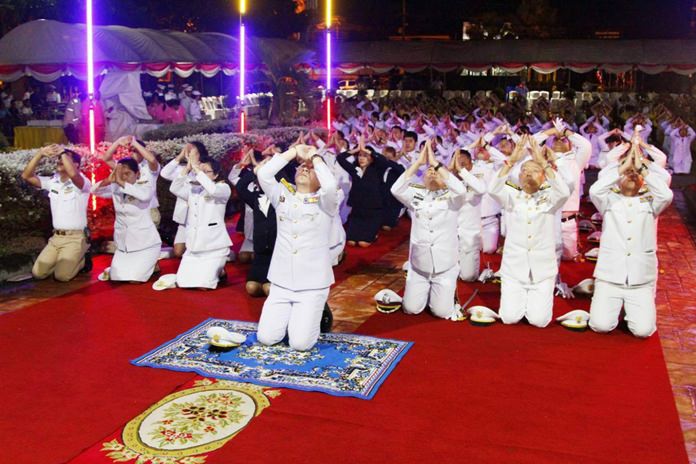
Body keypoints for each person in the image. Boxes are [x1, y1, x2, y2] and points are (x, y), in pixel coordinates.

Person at [255, 144, 339, 351]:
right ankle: (298, 319)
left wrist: (315, 157)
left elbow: (329, 186)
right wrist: (294, 151)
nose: (304, 169)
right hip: (282, 280)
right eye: (301, 167)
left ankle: (318, 312)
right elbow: (264, 174)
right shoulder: (282, 195)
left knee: (300, 344)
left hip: (311, 284)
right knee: (267, 338)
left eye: (310, 168)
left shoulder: (326, 201)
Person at [588, 145, 673, 337]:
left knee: (643, 331)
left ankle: (633, 312)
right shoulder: (609, 199)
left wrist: (642, 167)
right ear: (619, 178)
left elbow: (666, 194)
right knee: (600, 325)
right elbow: (595, 189)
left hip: (640, 279)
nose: (632, 175)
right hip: (610, 276)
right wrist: (623, 167)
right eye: (628, 173)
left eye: (636, 174)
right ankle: (615, 309)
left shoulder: (651, 201)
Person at [489, 136, 570, 327]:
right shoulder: (512, 195)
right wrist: (512, 161)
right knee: (509, 318)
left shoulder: (550, 197)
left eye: (534, 171)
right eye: (524, 171)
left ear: (543, 176)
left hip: (541, 271)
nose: (527, 174)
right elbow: (493, 189)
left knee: (539, 321)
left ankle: (533, 302)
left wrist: (544, 162)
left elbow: (565, 192)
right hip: (514, 269)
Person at [390, 142, 467, 319]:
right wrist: (417, 163)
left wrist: (436, 163)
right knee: (411, 309)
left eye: (436, 171)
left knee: (441, 312)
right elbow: (396, 189)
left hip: (444, 265)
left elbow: (461, 190)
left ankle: (447, 295)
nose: (432, 172)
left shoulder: (453, 197)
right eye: (429, 170)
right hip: (419, 264)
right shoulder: (416, 194)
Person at [21, 146, 91, 282]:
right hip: (56, 238)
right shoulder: (53, 182)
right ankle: (65, 262)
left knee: (62, 276)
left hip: (75, 238)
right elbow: (26, 176)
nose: (60, 160)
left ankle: (83, 260)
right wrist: (40, 154)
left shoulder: (83, 182)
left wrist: (63, 152)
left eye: (64, 158)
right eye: (59, 158)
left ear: (75, 164)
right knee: (38, 273)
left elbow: (73, 175)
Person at [92, 158, 161, 282]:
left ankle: (151, 263)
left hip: (145, 243)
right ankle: (146, 266)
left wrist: (120, 181)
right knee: (117, 278)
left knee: (135, 279)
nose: (123, 177)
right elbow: (94, 191)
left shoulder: (145, 186)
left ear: (138, 174)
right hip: (124, 244)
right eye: (121, 174)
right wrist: (109, 180)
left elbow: (144, 197)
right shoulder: (115, 187)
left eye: (127, 173)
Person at [170, 155, 231, 289]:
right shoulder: (193, 190)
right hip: (194, 244)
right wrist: (187, 169)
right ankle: (218, 272)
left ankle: (218, 271)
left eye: (206, 171)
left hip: (214, 245)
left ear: (215, 175)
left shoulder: (223, 188)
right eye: (199, 171)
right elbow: (174, 188)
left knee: (203, 286)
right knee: (183, 283)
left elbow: (213, 190)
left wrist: (198, 171)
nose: (200, 174)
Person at [337, 136, 391, 247]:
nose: (361, 158)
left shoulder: (377, 170)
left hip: (373, 211)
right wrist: (355, 150)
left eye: (365, 156)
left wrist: (367, 150)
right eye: (360, 156)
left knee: (363, 244)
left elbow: (384, 161)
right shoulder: (354, 169)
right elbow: (340, 158)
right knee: (351, 242)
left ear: (371, 158)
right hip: (357, 210)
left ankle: (374, 233)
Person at [160, 142, 210, 258]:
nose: (190, 154)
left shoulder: (206, 169)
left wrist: (196, 167)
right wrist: (181, 156)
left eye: (193, 152)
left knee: (198, 249)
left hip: (200, 219)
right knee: (178, 252)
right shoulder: (183, 170)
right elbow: (164, 173)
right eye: (189, 152)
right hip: (184, 220)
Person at [103, 136, 162, 226]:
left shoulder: (149, 168)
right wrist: (118, 142)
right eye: (131, 151)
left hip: (148, 211)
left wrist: (135, 143)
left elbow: (152, 159)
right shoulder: (125, 167)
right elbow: (107, 159)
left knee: (148, 239)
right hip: (131, 212)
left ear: (142, 151)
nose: (132, 154)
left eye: (135, 151)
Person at [449, 149, 486, 281]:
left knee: (468, 277)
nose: (458, 168)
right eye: (456, 164)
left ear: (471, 165)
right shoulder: (446, 181)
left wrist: (461, 171)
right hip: (448, 236)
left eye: (463, 164)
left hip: (468, 236)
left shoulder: (476, 181)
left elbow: (481, 189)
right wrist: (448, 172)